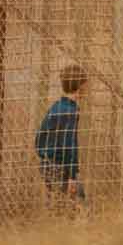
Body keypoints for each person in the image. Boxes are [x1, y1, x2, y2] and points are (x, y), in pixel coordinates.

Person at [35, 64, 86, 200]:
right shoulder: (70, 112)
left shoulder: (56, 106)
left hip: (47, 164)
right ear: (80, 87)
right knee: (81, 206)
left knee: (57, 205)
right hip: (60, 168)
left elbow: (40, 136)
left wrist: (45, 156)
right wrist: (72, 176)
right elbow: (70, 146)